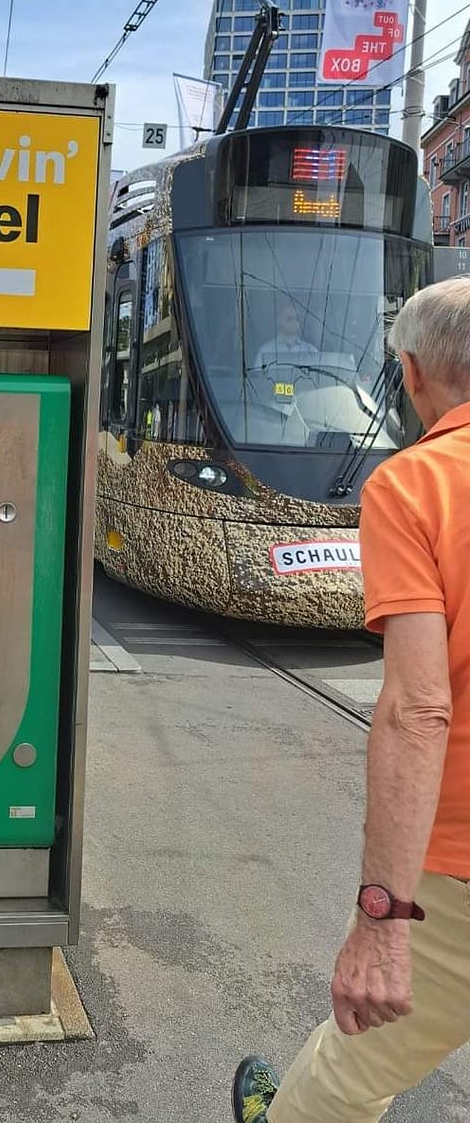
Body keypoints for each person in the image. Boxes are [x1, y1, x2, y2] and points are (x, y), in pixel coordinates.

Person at [233, 276, 470, 1123]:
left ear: (408, 372)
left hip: (460, 864)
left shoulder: (418, 485)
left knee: (348, 1075)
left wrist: (383, 919)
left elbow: (418, 709)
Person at [253, 302, 320, 371]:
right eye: (289, 318)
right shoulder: (265, 350)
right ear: (279, 320)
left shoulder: (311, 351)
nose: (294, 322)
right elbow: (259, 378)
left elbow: (319, 378)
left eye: (297, 318)